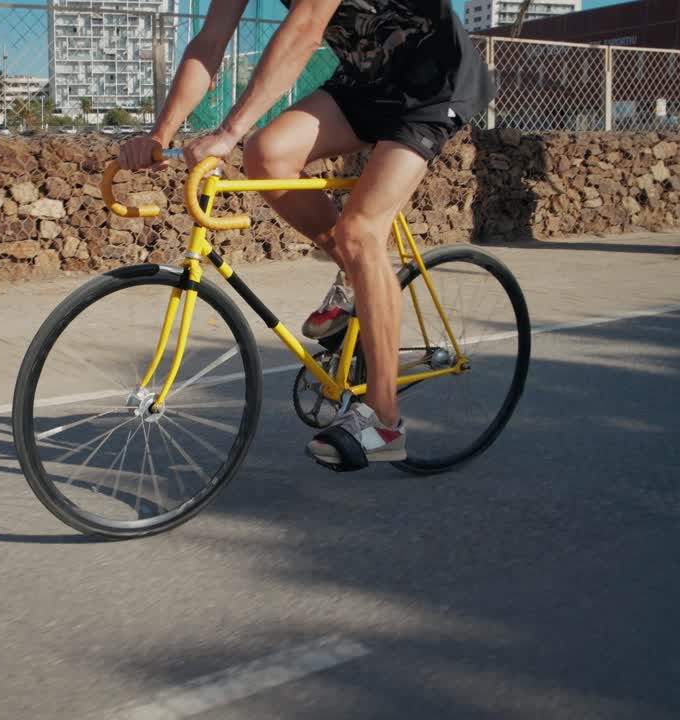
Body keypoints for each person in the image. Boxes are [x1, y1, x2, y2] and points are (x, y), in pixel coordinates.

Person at [118, 0, 492, 470]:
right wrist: (160, 134)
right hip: (365, 81)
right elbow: (209, 44)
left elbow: (306, 29)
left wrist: (228, 131)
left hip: (434, 83)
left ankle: (384, 421)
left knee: (360, 231)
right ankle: (360, 276)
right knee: (267, 156)